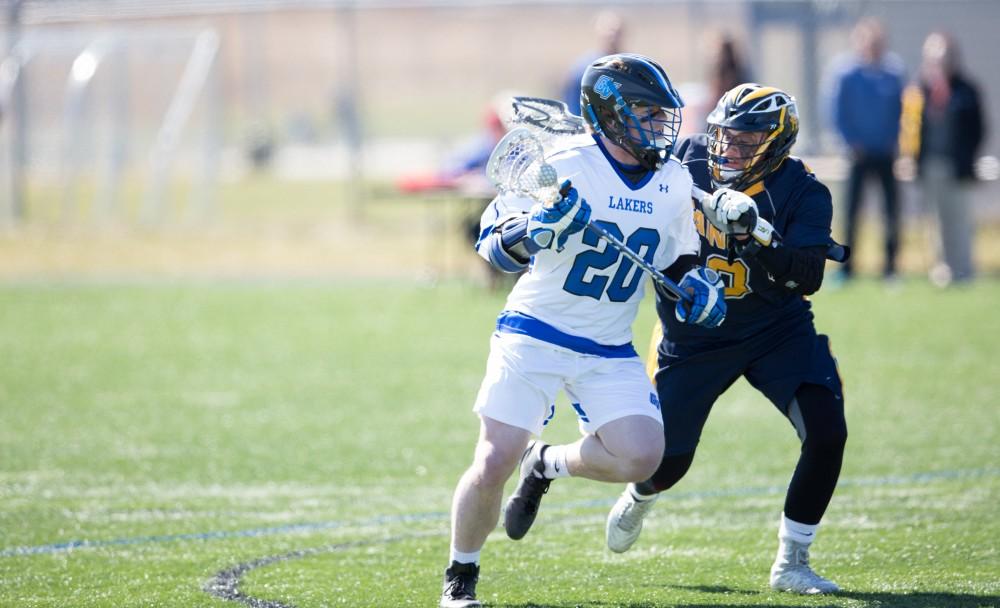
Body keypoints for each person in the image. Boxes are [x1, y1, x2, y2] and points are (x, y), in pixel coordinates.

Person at [439, 54, 727, 608]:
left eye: (659, 113)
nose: (657, 124)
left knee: (644, 457)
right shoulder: (563, 163)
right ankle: (461, 577)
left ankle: (547, 462)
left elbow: (675, 260)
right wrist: (538, 229)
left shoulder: (670, 180)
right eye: (644, 112)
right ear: (610, 113)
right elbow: (493, 245)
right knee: (495, 458)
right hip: (536, 331)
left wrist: (696, 286)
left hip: (608, 345)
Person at [604, 83, 849, 595]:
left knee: (827, 431)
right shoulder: (683, 161)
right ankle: (640, 497)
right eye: (725, 137)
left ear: (777, 144)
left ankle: (792, 561)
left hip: (775, 329)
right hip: (694, 337)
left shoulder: (804, 191)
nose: (729, 150)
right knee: (666, 464)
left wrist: (755, 234)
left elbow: (806, 276)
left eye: (745, 141)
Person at [900, 32, 986, 286]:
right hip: (929, 166)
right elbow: (910, 128)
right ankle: (942, 270)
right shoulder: (918, 91)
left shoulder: (967, 89)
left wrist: (968, 155)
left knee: (959, 220)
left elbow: (978, 128)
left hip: (957, 166)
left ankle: (964, 269)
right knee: (935, 222)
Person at [830, 18, 904, 282]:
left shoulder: (894, 74)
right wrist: (851, 142)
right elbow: (836, 113)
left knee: (891, 212)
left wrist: (894, 141)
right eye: (868, 42)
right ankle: (846, 268)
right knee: (851, 213)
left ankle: (891, 268)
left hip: (885, 153)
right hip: (856, 155)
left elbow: (902, 112)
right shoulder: (845, 74)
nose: (873, 48)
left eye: (877, 43)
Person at [560, 11, 625, 116]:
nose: (612, 36)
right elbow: (572, 109)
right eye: (609, 31)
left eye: (617, 32)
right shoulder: (583, 69)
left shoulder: (630, 68)